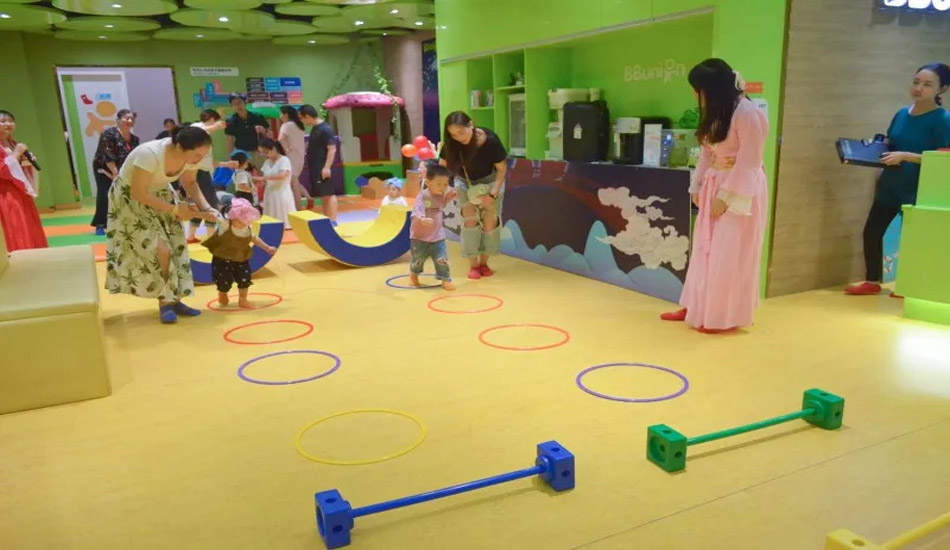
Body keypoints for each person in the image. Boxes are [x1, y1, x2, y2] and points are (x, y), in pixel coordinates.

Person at [661, 58, 770, 334]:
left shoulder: (748, 113)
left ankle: (721, 315)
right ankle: (696, 307)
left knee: (728, 252)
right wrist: (696, 187)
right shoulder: (716, 112)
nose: (695, 95)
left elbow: (749, 161)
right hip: (715, 183)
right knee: (704, 249)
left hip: (740, 189)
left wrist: (726, 196)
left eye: (698, 89)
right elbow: (706, 155)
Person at [846, 63, 950, 296]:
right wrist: (873, 148)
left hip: (918, 188)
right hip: (890, 184)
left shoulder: (942, 120)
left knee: (912, 240)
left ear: (942, 89)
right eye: (916, 82)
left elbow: (944, 158)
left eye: (927, 84)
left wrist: (907, 156)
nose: (918, 88)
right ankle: (872, 281)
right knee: (872, 232)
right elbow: (891, 142)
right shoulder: (902, 114)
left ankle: (908, 285)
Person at [104, 126, 219, 324]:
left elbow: (190, 183)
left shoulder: (191, 158)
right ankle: (165, 302)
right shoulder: (149, 154)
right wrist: (174, 210)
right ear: (180, 147)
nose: (199, 159)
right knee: (160, 249)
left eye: (203, 155)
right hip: (130, 198)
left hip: (161, 194)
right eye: (196, 155)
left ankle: (174, 299)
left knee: (176, 247)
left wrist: (207, 208)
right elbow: (138, 193)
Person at [439, 111, 508, 280]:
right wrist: (447, 188)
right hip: (464, 182)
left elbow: (501, 169)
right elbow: (441, 167)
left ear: (471, 125)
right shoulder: (452, 144)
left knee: (490, 224)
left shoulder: (490, 140)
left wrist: (492, 195)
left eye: (461, 132)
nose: (458, 138)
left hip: (491, 182)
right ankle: (473, 265)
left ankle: (484, 263)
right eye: (453, 135)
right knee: (469, 222)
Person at [202, 198, 276, 309]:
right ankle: (222, 293)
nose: (242, 224)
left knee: (244, 278)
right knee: (223, 280)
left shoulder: (247, 228)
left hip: (241, 257)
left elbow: (254, 238)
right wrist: (202, 214)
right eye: (239, 222)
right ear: (232, 217)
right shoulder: (225, 224)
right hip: (222, 257)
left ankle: (243, 299)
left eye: (245, 222)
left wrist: (267, 247)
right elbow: (213, 217)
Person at [0, 110, 47, 251]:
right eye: (3, 121)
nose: (8, 124)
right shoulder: (14, 148)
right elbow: (2, 170)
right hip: (5, 194)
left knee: (27, 223)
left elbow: (18, 168)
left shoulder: (13, 143)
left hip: (21, 192)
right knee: (15, 225)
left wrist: (27, 161)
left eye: (11, 121)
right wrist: (16, 154)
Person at [90, 108, 140, 235]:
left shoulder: (134, 139)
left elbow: (134, 157)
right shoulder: (108, 134)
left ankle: (124, 222)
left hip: (123, 170)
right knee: (105, 194)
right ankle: (100, 224)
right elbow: (107, 154)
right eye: (127, 118)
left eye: (132, 119)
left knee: (125, 195)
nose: (130, 121)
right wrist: (115, 173)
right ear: (118, 120)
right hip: (104, 168)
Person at [409, 164, 456, 291]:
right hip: (419, 236)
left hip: (437, 235)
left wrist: (448, 198)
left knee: (442, 259)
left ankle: (445, 279)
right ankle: (413, 275)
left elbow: (441, 205)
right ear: (428, 183)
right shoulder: (422, 196)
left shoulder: (440, 195)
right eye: (439, 184)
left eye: (445, 185)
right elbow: (415, 213)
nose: (442, 187)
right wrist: (422, 219)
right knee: (418, 258)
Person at [187, 109, 228, 242]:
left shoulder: (206, 135)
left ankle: (191, 236)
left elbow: (209, 161)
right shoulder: (197, 127)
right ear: (211, 119)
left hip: (204, 171)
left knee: (201, 204)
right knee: (211, 202)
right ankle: (210, 236)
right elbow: (199, 130)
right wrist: (215, 125)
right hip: (199, 171)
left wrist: (226, 164)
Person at [299, 104, 339, 224]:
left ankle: (333, 221)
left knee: (329, 194)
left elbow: (332, 148)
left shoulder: (325, 129)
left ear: (307, 116)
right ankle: (327, 220)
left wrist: (326, 167)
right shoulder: (315, 128)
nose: (301, 121)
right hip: (316, 167)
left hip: (322, 166)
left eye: (301, 118)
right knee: (324, 195)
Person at [254, 137, 296, 229]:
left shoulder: (284, 160)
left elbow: (282, 176)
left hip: (282, 193)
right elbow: (265, 179)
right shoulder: (267, 162)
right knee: (271, 225)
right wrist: (259, 182)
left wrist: (263, 178)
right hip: (270, 194)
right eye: (263, 153)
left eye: (266, 152)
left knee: (286, 223)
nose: (265, 155)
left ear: (273, 149)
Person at [277, 105, 312, 210]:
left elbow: (280, 139)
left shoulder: (286, 125)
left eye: (281, 114)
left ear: (286, 114)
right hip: (300, 157)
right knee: (294, 181)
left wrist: (286, 149)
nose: (280, 116)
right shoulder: (299, 126)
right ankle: (306, 198)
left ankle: (298, 207)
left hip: (291, 157)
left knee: (294, 184)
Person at [225, 93, 268, 163]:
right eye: (234, 104)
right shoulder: (230, 120)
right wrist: (229, 157)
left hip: (258, 152)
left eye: (239, 102)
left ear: (245, 102)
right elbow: (230, 139)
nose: (238, 106)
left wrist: (263, 131)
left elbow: (267, 134)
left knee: (262, 169)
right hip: (241, 153)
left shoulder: (257, 116)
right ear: (232, 106)